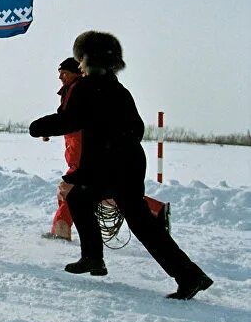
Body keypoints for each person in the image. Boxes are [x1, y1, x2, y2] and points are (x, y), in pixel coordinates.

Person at [29, 31, 212, 300]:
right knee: (87, 201)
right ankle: (96, 258)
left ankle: (187, 275)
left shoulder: (87, 86)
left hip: (110, 164)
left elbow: (70, 119)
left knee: (123, 215)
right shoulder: (118, 89)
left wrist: (37, 127)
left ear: (87, 59)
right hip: (128, 162)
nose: (78, 64)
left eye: (80, 58)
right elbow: (137, 128)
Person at [41, 58, 170, 240]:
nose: (60, 76)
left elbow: (74, 119)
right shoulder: (74, 90)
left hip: (83, 153)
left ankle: (62, 231)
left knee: (71, 190)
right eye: (59, 73)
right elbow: (64, 118)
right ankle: (155, 210)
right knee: (92, 192)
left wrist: (47, 128)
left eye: (64, 72)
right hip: (78, 150)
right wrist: (50, 130)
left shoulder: (81, 89)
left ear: (76, 72)